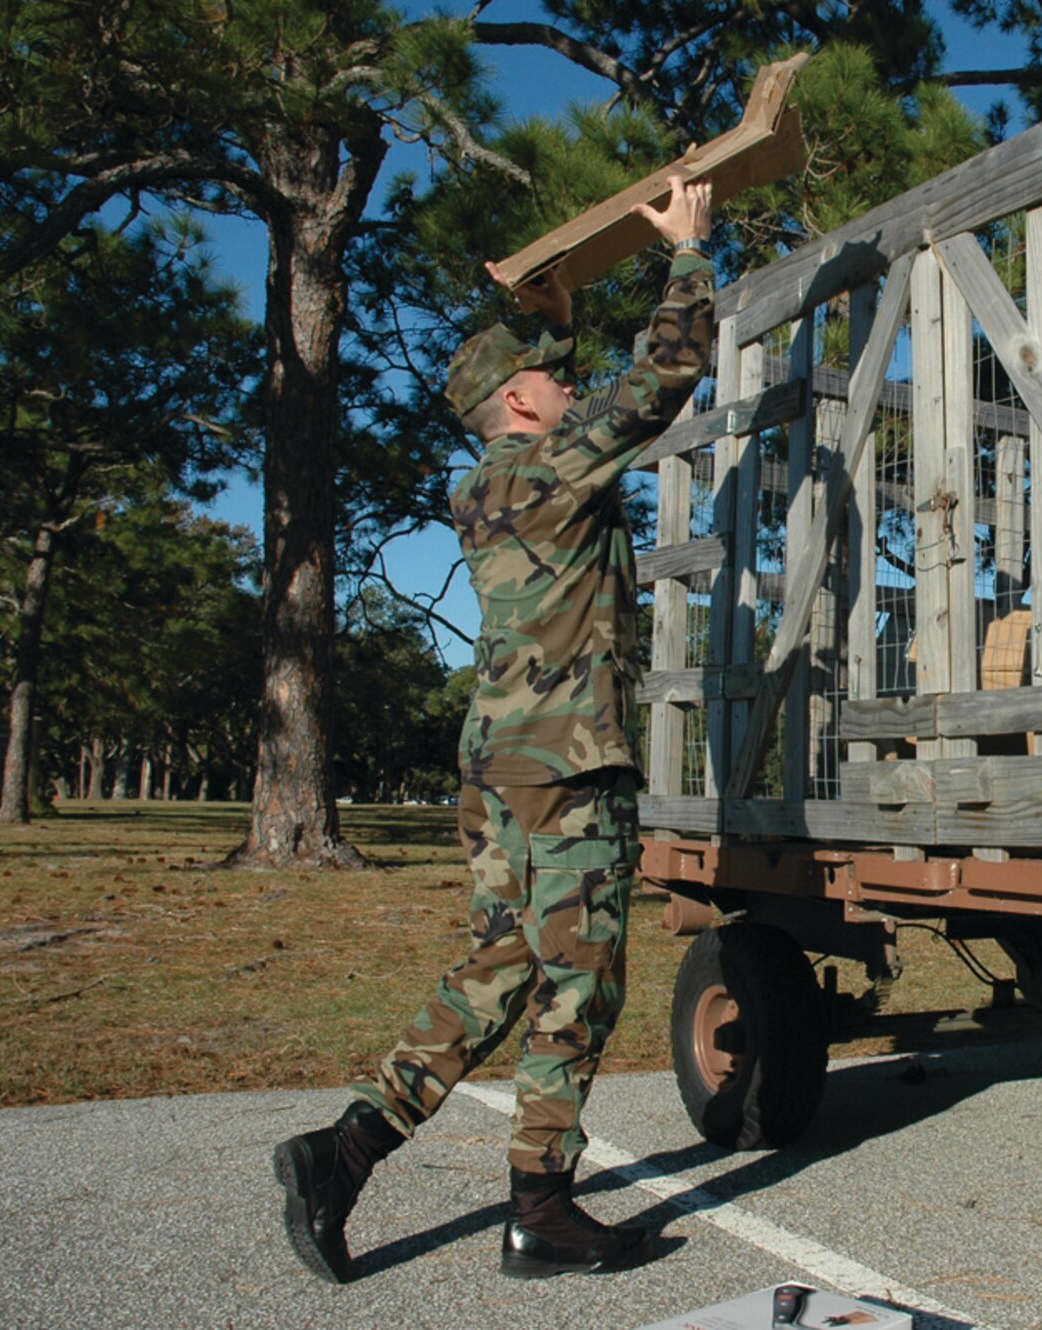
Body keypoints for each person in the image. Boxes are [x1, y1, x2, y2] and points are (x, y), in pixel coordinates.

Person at [274, 176, 717, 1284]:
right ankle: (542, 1207)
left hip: (500, 769)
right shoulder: (556, 465)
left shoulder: (488, 481)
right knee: (582, 982)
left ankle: (342, 1152)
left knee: (497, 969)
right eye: (556, 379)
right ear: (521, 402)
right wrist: (687, 254)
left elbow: (557, 384)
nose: (572, 388)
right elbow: (660, 378)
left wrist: (552, 316)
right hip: (566, 770)